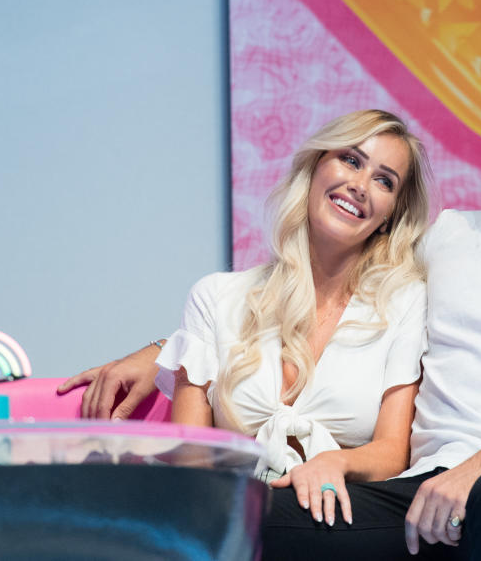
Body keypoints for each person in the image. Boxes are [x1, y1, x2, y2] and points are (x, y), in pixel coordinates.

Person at [62, 7, 481, 559]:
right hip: (424, 493)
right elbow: (331, 279)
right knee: (234, 521)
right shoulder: (450, 237)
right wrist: (164, 352)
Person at [61, 109, 433, 527]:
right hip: (236, 518)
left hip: (343, 520)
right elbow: (193, 459)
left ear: (391, 217)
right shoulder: (216, 298)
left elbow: (392, 451)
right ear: (315, 167)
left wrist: (335, 463)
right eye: (350, 159)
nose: (360, 185)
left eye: (384, 180)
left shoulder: (404, 304)